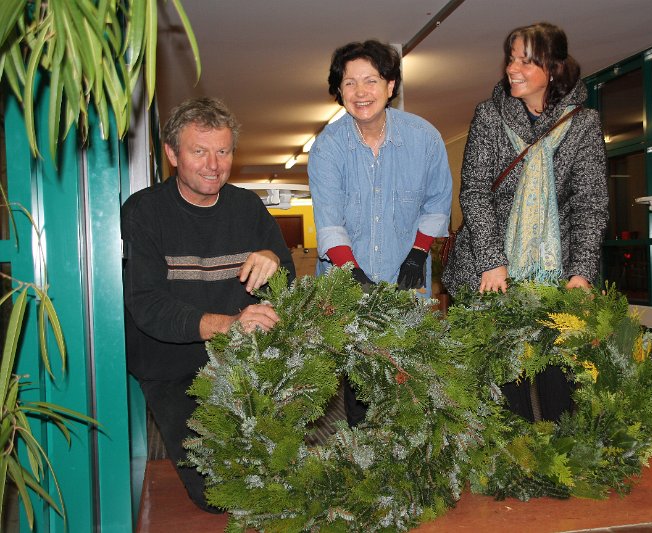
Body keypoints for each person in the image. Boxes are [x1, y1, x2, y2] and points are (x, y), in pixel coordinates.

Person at [122, 97, 295, 512]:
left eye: (223, 151)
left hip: (243, 363)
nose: (213, 164)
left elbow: (287, 274)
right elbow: (147, 305)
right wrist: (228, 324)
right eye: (199, 151)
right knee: (218, 493)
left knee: (283, 470)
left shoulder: (247, 207)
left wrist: (274, 260)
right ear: (171, 154)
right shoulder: (144, 212)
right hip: (171, 368)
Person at [441, 23, 609, 423]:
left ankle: (558, 458)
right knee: (505, 375)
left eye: (525, 61)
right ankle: (515, 463)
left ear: (552, 69)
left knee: (558, 372)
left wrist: (582, 272)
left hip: (556, 272)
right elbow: (475, 191)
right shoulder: (489, 115)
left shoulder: (583, 124)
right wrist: (491, 260)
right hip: (494, 269)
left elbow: (590, 203)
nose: (512, 68)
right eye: (511, 58)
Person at [308, 40, 452, 426]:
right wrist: (354, 276)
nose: (360, 92)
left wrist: (418, 252)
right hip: (347, 281)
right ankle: (366, 471)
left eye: (370, 81)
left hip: (407, 283)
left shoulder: (425, 139)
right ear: (339, 91)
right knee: (360, 385)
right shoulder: (327, 148)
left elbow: (438, 203)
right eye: (349, 83)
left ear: (390, 86)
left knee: (409, 381)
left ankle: (408, 471)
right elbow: (330, 222)